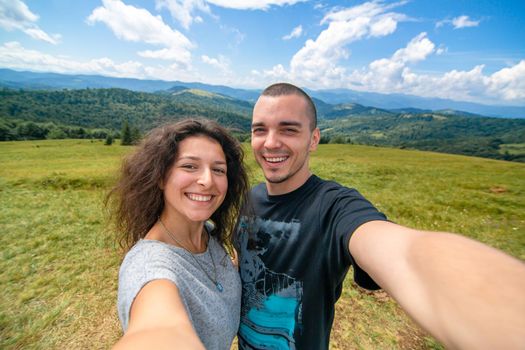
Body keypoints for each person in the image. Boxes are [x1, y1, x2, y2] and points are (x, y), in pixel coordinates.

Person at [235, 82, 525, 349]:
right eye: (260, 129)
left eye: (288, 129)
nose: (270, 142)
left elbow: (404, 253)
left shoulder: (335, 207)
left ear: (313, 139)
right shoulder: (247, 198)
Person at [106, 119, 249, 350]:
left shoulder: (208, 235)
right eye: (190, 166)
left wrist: (235, 270)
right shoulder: (151, 268)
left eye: (218, 169)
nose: (207, 180)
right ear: (161, 176)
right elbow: (159, 330)